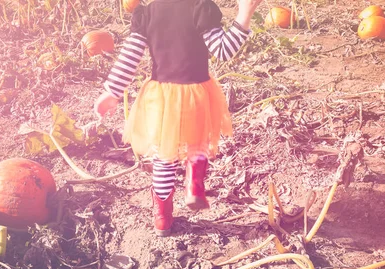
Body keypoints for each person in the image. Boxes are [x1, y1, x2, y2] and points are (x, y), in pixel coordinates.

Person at [93, 0, 263, 236]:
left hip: (162, 97)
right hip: (197, 93)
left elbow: (129, 59)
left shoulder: (147, 14)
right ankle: (194, 183)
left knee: (164, 155)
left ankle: (162, 217)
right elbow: (223, 51)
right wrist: (245, 13)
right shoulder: (199, 8)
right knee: (199, 141)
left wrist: (112, 92)